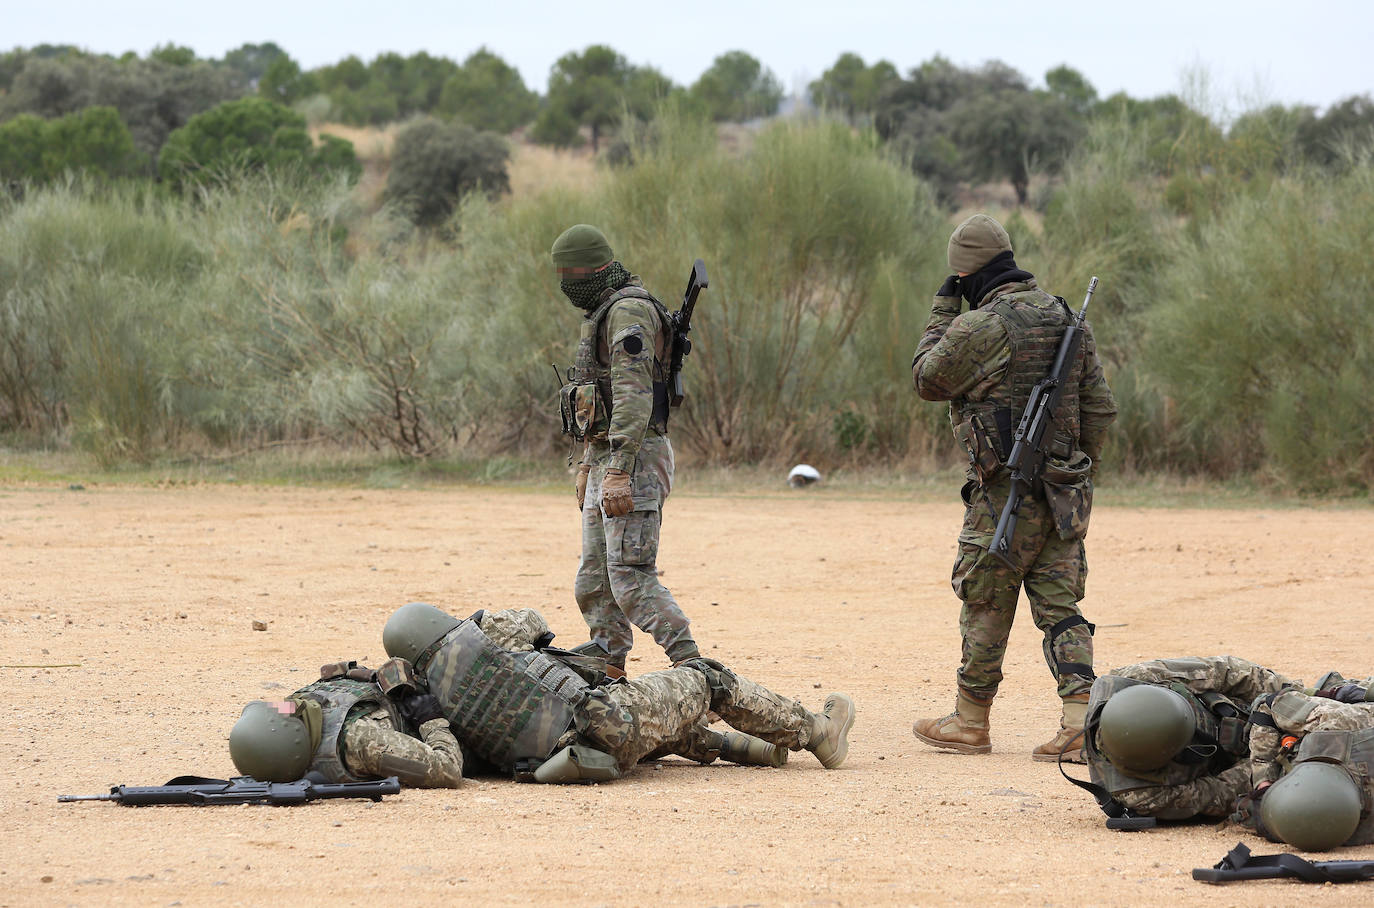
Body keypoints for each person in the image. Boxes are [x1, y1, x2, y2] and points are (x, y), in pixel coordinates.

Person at [909, 213, 1118, 762]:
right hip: (1063, 492)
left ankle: (969, 721)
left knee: (986, 596)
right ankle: (1079, 723)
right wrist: (1077, 471)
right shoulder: (1067, 317)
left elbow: (927, 377)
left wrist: (943, 310)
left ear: (965, 275)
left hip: (1005, 491)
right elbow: (1099, 408)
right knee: (1061, 603)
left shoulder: (982, 326)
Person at [381, 602, 855, 782]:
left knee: (651, 718)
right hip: (612, 722)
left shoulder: (431, 700)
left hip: (575, 759)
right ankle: (817, 732)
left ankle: (745, 748)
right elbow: (534, 621)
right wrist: (479, 622)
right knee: (706, 678)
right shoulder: (485, 632)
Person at [551, 224, 699, 671]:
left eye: (568, 273)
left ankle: (696, 669)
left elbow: (633, 396)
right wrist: (588, 465)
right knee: (595, 576)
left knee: (631, 577)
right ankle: (607, 655)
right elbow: (599, 398)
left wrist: (617, 470)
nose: (564, 283)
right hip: (608, 456)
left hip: (635, 458)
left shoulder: (628, 311)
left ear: (591, 269)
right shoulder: (606, 309)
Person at [1073, 656, 1295, 822]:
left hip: (1250, 708)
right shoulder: (1140, 794)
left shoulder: (1135, 678)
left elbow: (1227, 672)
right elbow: (1221, 792)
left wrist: (1291, 696)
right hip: (1245, 763)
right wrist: (1273, 758)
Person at [228, 659, 465, 788]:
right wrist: (430, 720)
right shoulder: (362, 741)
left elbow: (262, 709)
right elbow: (448, 769)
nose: (282, 707)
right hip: (444, 715)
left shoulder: (296, 707)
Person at [1236, 674, 1374, 850]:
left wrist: (1263, 782)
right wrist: (1264, 782)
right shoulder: (1338, 722)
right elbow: (1269, 703)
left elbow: (1268, 703)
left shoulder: (1336, 722)